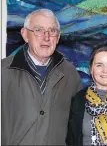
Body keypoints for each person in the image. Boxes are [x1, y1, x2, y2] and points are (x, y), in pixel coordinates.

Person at [1, 9, 82, 145]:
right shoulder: (3, 71)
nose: (46, 37)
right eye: (38, 30)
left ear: (58, 36)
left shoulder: (70, 74)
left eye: (52, 31)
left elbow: (77, 127)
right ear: (25, 34)